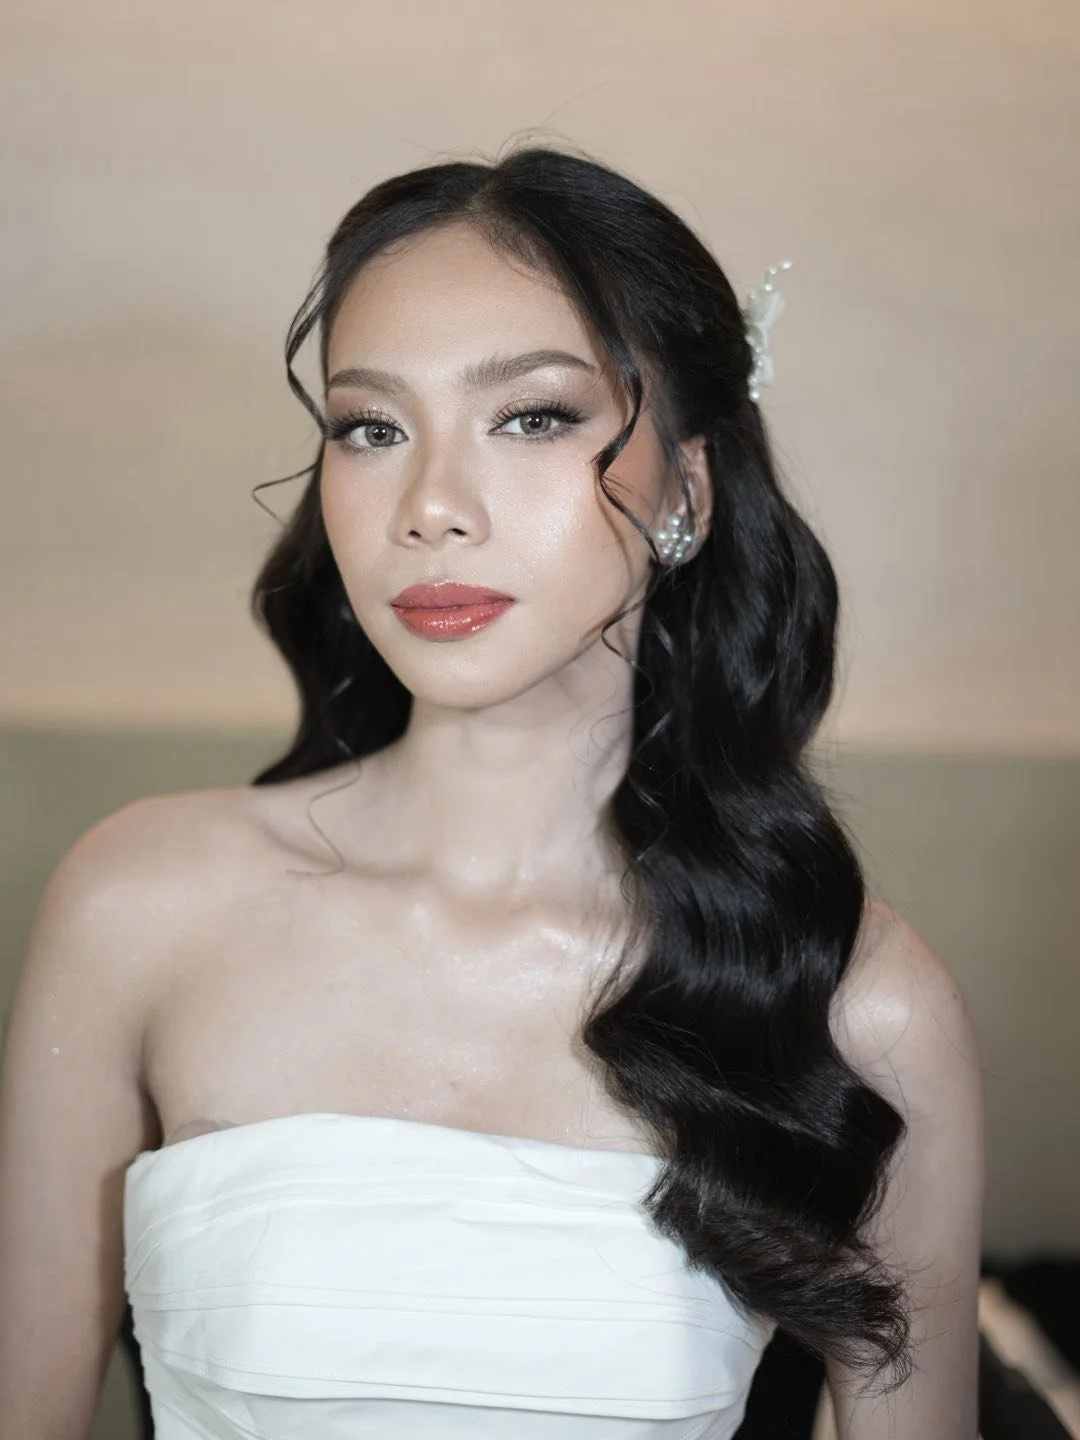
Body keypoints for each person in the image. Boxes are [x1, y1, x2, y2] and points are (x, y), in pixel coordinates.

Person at [0, 145, 985, 1439]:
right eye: (372, 428)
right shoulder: (141, 907)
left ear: (687, 492)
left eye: (531, 417)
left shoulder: (858, 1001)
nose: (431, 508)